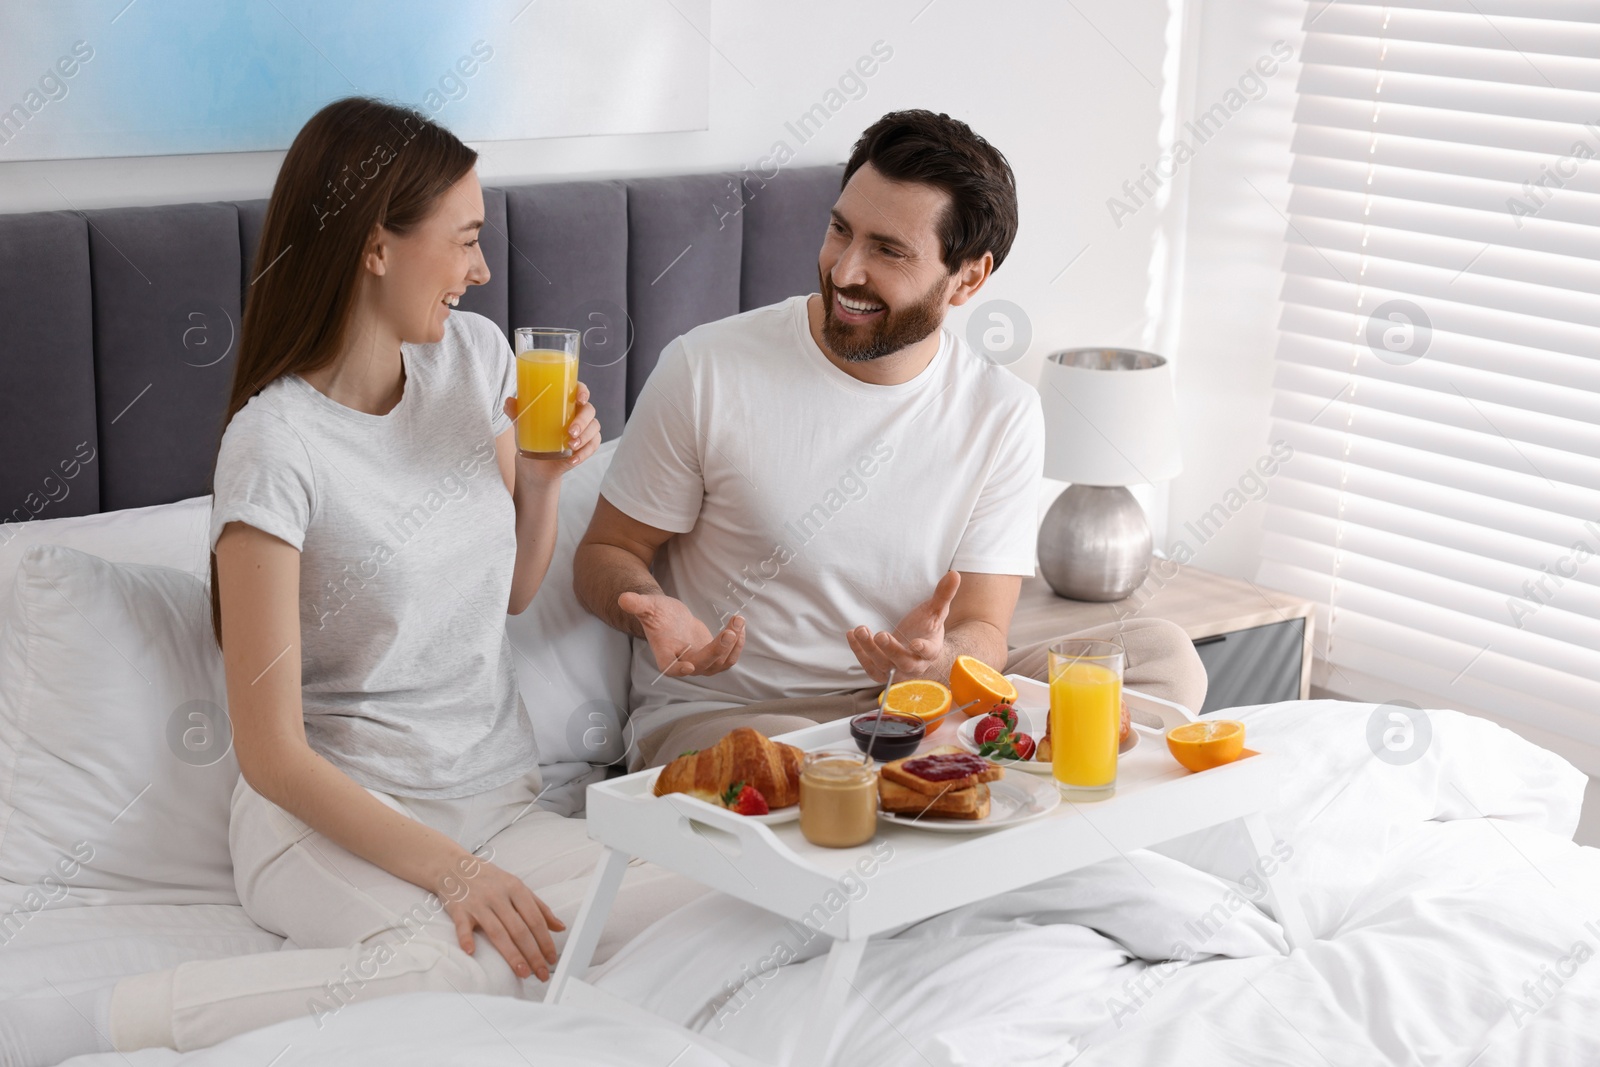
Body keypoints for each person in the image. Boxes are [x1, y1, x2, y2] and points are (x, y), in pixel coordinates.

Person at [0, 98, 703, 1066]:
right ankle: (73, 1020)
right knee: (460, 964)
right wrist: (456, 877)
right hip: (323, 818)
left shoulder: (478, 360)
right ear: (377, 245)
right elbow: (273, 753)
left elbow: (505, 594)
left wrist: (539, 488)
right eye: (462, 241)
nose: (481, 270)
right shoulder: (275, 445)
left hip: (497, 799)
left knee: (710, 882)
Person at [574, 110, 1206, 767]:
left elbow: (985, 628)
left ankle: (960, 781)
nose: (845, 270)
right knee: (826, 771)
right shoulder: (707, 369)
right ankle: (970, 782)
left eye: (888, 250)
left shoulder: (1003, 412)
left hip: (919, 707)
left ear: (967, 279)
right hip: (734, 715)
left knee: (1162, 655)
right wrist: (649, 607)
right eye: (840, 230)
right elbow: (606, 550)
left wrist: (941, 659)